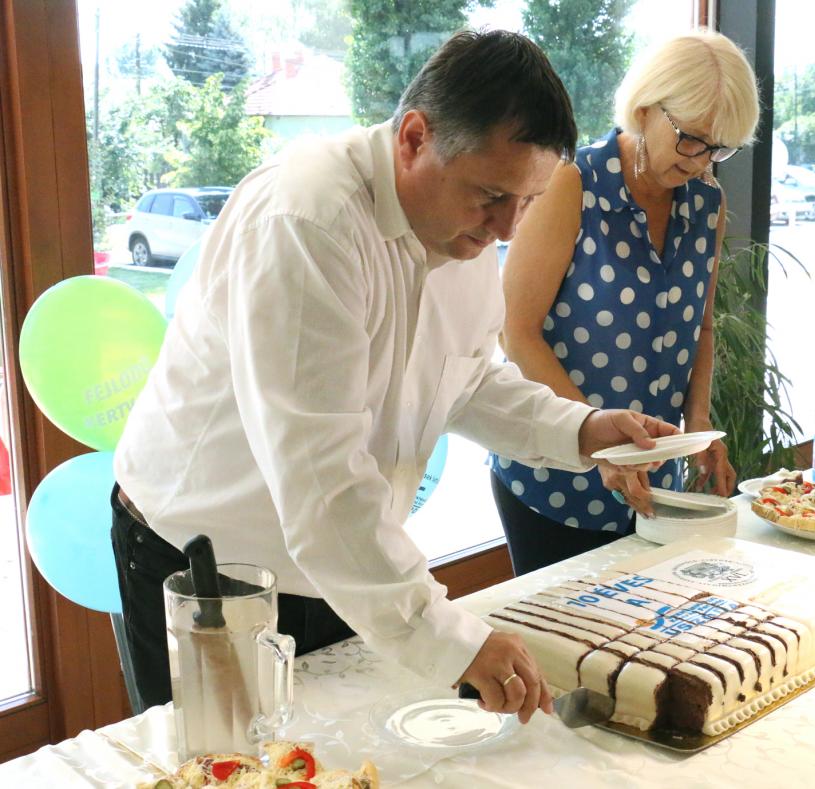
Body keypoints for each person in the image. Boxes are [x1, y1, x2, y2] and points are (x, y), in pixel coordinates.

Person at [111, 30, 678, 725]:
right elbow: (321, 475)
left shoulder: (458, 226)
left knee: (339, 748)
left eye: (526, 202)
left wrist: (581, 427)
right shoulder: (309, 221)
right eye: (492, 195)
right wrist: (449, 637)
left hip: (335, 555)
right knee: (231, 761)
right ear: (413, 138)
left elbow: (464, 381)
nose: (505, 229)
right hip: (210, 548)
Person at [490, 30, 759, 576]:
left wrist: (699, 427)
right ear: (645, 108)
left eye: (719, 147)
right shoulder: (574, 184)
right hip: (555, 476)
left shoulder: (707, 201)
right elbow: (516, 333)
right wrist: (596, 440)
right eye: (692, 139)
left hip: (652, 477)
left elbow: (699, 329)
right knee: (567, 640)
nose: (702, 161)